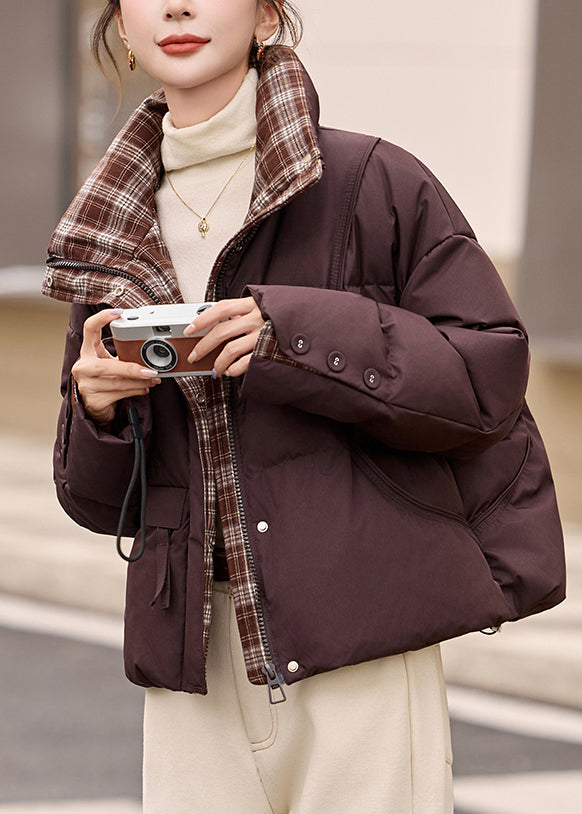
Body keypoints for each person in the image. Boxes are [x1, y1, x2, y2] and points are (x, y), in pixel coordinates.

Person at [43, 1, 565, 812]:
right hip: (193, 662)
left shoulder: (373, 183)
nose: (175, 6)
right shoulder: (111, 225)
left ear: (265, 15)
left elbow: (485, 380)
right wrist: (100, 413)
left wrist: (295, 335)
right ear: (119, 21)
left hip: (360, 645)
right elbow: (101, 503)